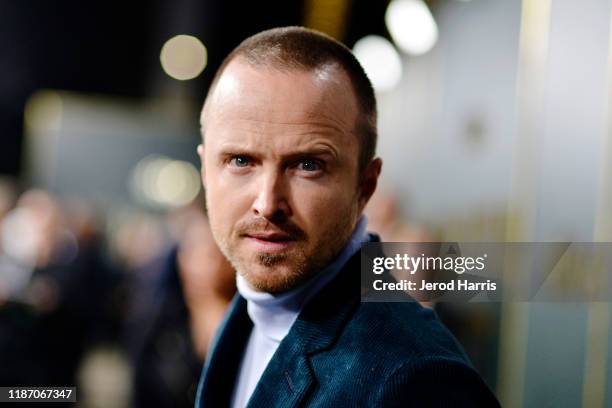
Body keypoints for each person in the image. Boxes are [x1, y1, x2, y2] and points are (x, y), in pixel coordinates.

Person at [195, 26, 499, 407]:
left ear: (365, 186)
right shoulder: (248, 310)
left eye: (308, 165)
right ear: (206, 169)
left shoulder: (418, 379)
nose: (267, 202)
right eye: (241, 161)